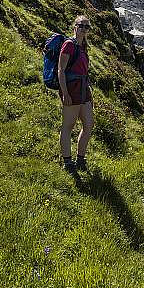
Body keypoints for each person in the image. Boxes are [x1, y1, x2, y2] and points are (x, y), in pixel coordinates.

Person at [58, 15, 94, 173]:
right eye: (82, 26)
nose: (84, 29)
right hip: (72, 89)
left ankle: (80, 159)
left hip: (83, 89)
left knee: (88, 124)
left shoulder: (83, 46)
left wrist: (89, 93)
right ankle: (68, 162)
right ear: (75, 27)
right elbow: (61, 70)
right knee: (68, 126)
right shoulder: (69, 45)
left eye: (87, 27)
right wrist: (65, 93)